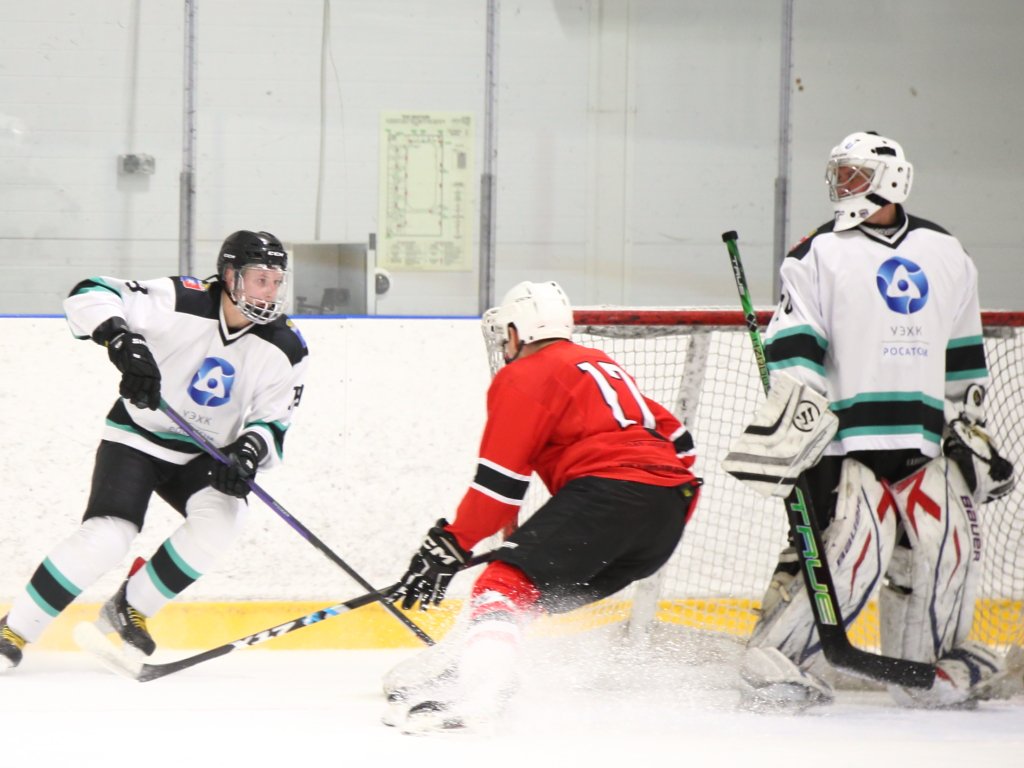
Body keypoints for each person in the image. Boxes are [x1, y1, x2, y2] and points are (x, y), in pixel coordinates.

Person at [730, 131, 1015, 709]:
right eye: (840, 173)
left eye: (856, 174)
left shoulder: (945, 251)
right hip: (845, 442)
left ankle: (927, 672)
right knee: (851, 555)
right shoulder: (816, 253)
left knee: (949, 550)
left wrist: (966, 420)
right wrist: (798, 421)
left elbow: (963, 348)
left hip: (925, 440)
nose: (843, 185)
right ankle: (780, 662)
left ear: (893, 180)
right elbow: (796, 344)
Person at [383, 280, 701, 733]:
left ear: (517, 332)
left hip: (611, 493)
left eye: (506, 337)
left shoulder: (523, 375)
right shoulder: (601, 366)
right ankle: (478, 668)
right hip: (667, 515)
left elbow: (500, 486)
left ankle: (481, 693)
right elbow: (681, 444)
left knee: (502, 585)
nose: (505, 347)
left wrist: (451, 544)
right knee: (524, 597)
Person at [0, 230, 309, 670]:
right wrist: (121, 340)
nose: (270, 292)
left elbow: (273, 420)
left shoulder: (286, 346)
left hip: (204, 452)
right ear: (229, 276)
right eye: (261, 279)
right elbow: (90, 292)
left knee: (224, 519)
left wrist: (247, 452)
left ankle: (130, 607)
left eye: (276, 281)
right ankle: (14, 629)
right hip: (137, 438)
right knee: (108, 536)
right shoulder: (180, 299)